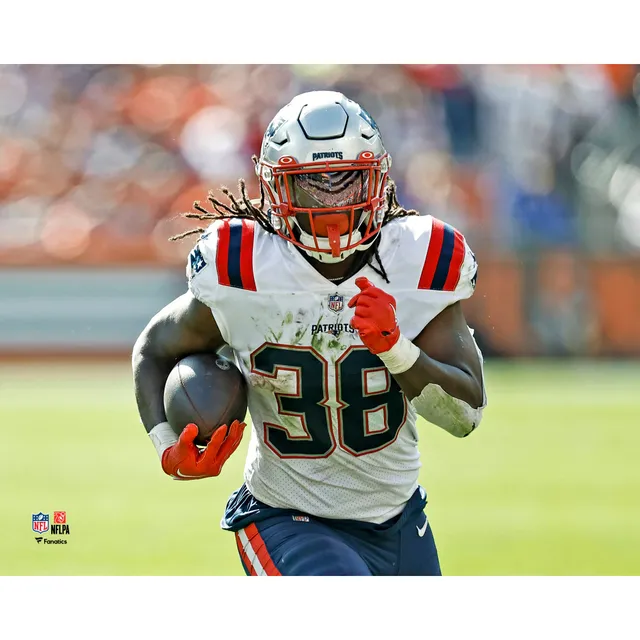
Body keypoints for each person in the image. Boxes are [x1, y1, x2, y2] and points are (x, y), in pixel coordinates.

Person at [132, 91, 487, 576]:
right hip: (286, 516)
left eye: (346, 183)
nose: (332, 206)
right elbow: (155, 348)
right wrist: (165, 444)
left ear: (379, 178)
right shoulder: (243, 266)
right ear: (276, 190)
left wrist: (397, 350)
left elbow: (465, 415)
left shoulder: (420, 258)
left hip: (400, 518)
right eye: (312, 186)